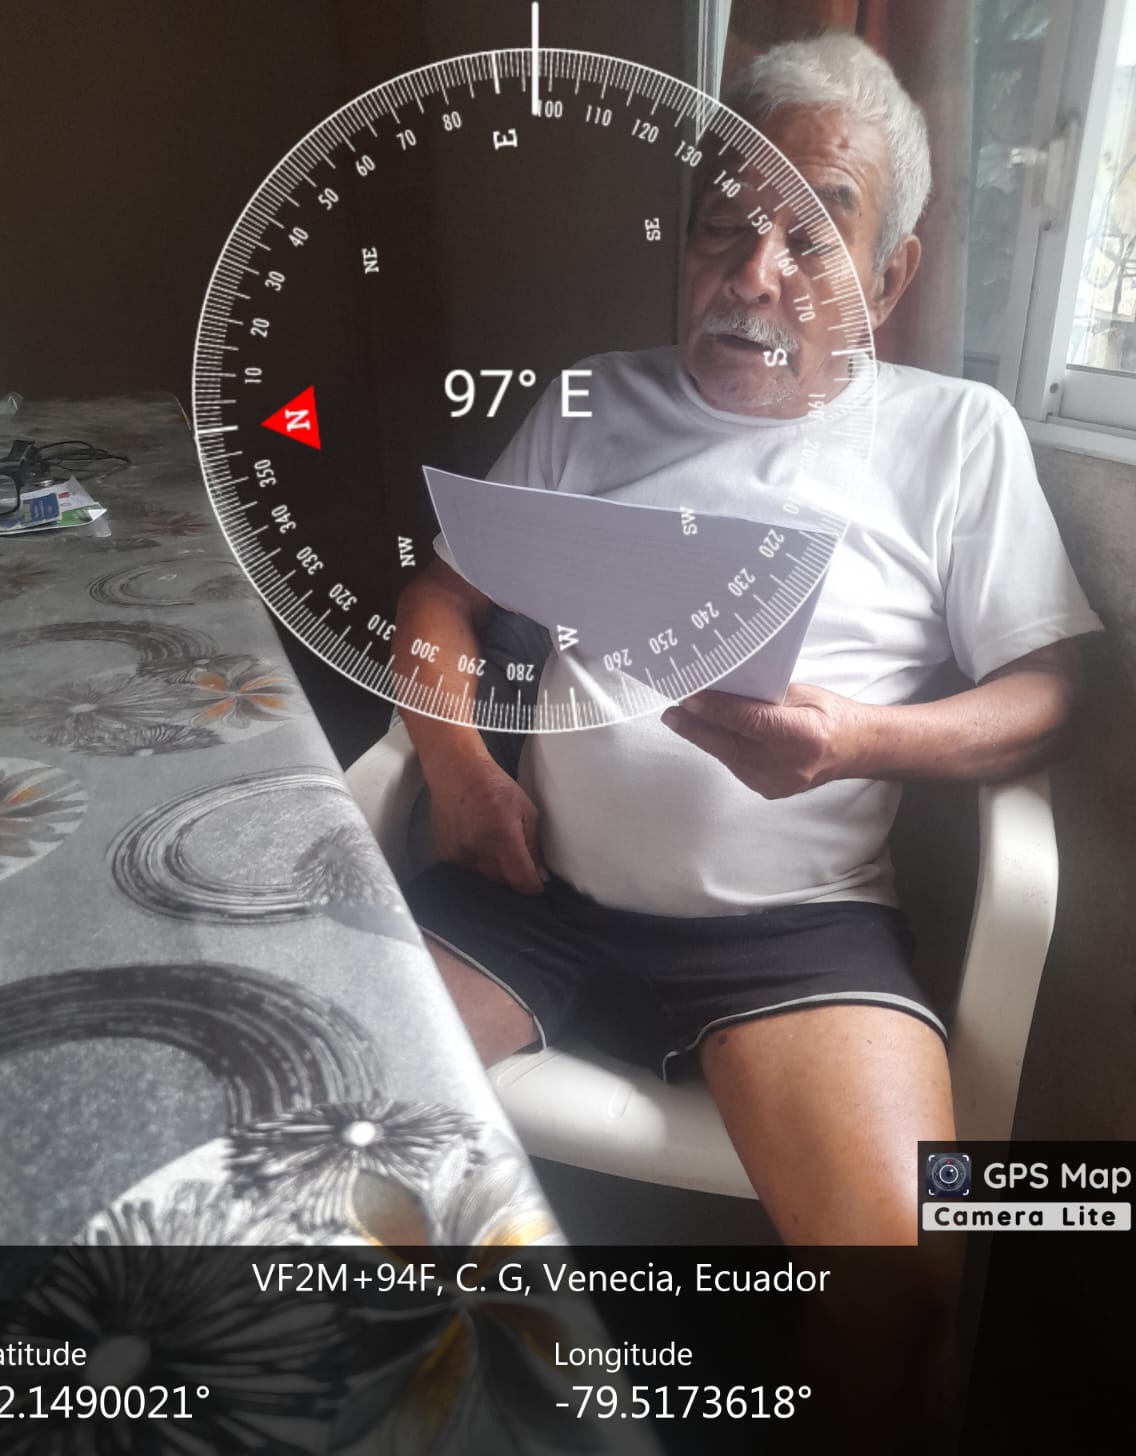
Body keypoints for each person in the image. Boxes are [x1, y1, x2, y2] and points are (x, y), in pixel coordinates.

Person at [393, 32, 1102, 1251]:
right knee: (300, 1137)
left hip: (799, 930)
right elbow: (440, 598)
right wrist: (459, 772)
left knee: (904, 1275)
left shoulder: (956, 435)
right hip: (531, 888)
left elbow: (1050, 691)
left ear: (887, 279)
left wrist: (859, 741)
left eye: (812, 237)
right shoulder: (593, 402)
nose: (752, 274)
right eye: (721, 226)